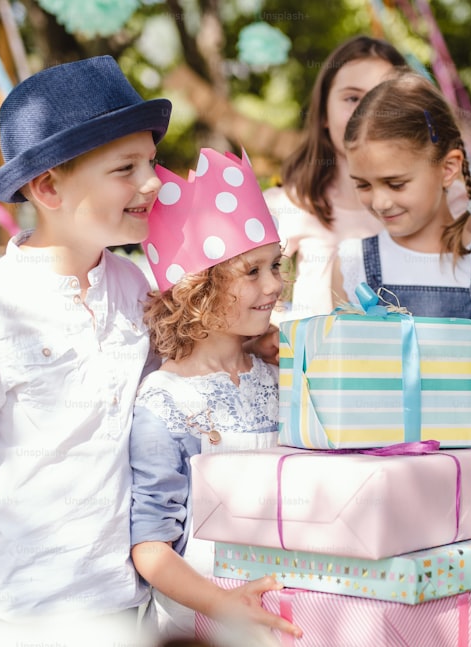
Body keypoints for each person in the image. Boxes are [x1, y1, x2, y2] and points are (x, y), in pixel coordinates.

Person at [0, 56, 283, 640]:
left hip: (130, 607)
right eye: (124, 168)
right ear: (49, 186)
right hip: (28, 613)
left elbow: (187, 391)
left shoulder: (135, 290)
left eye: (152, 161)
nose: (153, 182)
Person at [331, 72, 471, 582]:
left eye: (395, 183)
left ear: (448, 167)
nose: (379, 201)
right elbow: (344, 391)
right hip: (385, 500)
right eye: (363, 185)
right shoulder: (353, 265)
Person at [129, 150, 299, 640]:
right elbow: (151, 546)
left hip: (287, 609)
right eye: (251, 272)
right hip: (205, 625)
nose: (273, 285)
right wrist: (222, 605)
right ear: (195, 292)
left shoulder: (275, 375)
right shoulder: (165, 405)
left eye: (275, 265)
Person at [265, 35, 471, 320]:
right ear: (323, 114)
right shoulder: (290, 204)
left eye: (383, 96)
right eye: (353, 98)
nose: (367, 112)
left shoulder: (443, 199)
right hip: (319, 361)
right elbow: (246, 289)